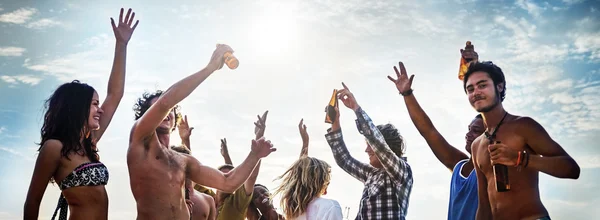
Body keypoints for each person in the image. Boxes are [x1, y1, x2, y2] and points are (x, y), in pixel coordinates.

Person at [127, 44, 276, 219]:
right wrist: (211, 68)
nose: (167, 113)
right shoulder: (141, 140)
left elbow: (228, 183)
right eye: (157, 109)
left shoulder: (183, 160)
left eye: (171, 111)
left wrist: (254, 156)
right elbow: (166, 101)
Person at [23, 8, 138, 220]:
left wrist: (121, 45)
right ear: (77, 108)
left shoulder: (89, 143)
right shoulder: (54, 147)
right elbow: (33, 201)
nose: (100, 109)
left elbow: (115, 94)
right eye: (94, 104)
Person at [463, 61, 581, 220]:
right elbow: (484, 205)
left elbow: (572, 169)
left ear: (499, 86)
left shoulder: (523, 126)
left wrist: (519, 159)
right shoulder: (477, 145)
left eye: (482, 85)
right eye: (470, 89)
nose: (476, 92)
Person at [388, 60, 484, 220]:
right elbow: (428, 131)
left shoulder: (493, 169)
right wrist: (407, 93)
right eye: (469, 129)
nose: (468, 134)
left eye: (476, 131)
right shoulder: (459, 164)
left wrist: (475, 66)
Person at [325, 83, 413, 219]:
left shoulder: (402, 173)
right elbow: (344, 160)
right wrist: (335, 122)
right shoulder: (371, 173)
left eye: (369, 145)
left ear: (386, 145)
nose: (366, 150)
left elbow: (378, 142)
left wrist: (356, 108)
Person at [274, 119, 343, 220]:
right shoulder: (330, 207)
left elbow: (300, 170)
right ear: (320, 182)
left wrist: (305, 143)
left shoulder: (294, 211)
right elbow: (301, 169)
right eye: (326, 181)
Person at [215, 111, 268, 220]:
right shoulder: (207, 198)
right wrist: (185, 140)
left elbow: (250, 176)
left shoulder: (236, 204)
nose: (226, 178)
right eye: (222, 175)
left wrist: (259, 136)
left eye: (229, 176)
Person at [172, 115, 216, 220]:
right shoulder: (161, 197)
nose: (183, 169)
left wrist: (185, 140)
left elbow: (186, 158)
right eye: (177, 165)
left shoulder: (207, 200)